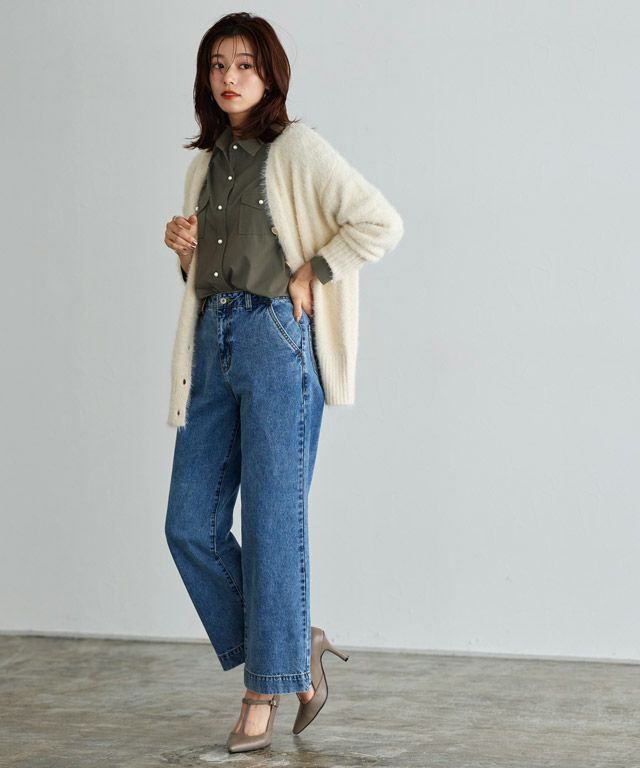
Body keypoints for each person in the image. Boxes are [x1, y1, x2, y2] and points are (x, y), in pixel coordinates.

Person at [163, 12, 404, 754]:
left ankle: (262, 690)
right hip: (213, 342)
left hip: (275, 341)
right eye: (217, 65)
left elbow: (379, 222)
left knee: (272, 521)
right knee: (190, 525)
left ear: (270, 74)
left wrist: (314, 271)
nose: (228, 77)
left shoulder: (297, 148)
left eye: (244, 64)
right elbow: (210, 272)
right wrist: (185, 253)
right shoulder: (205, 164)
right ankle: (296, 646)